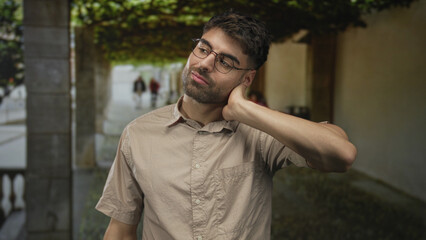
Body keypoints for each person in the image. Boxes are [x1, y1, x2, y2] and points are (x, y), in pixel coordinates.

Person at [96, 10, 357, 240]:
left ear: (247, 78)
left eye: (225, 61)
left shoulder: (260, 134)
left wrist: (244, 109)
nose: (205, 63)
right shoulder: (138, 134)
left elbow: (341, 155)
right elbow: (120, 230)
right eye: (203, 48)